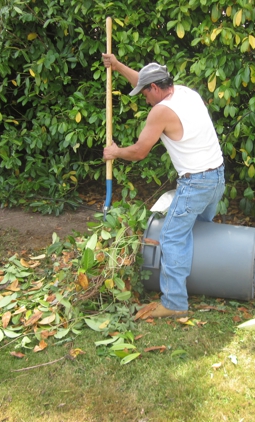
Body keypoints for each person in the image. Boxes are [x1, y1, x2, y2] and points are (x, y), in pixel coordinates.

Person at [101, 54, 225, 319]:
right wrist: (117, 65)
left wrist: (114, 152)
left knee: (171, 236)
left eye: (144, 94)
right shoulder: (185, 93)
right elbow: (144, 81)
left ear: (154, 89)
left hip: (196, 183)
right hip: (217, 177)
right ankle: (205, 278)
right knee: (198, 231)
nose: (144, 99)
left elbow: (139, 151)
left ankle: (174, 302)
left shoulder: (160, 111)